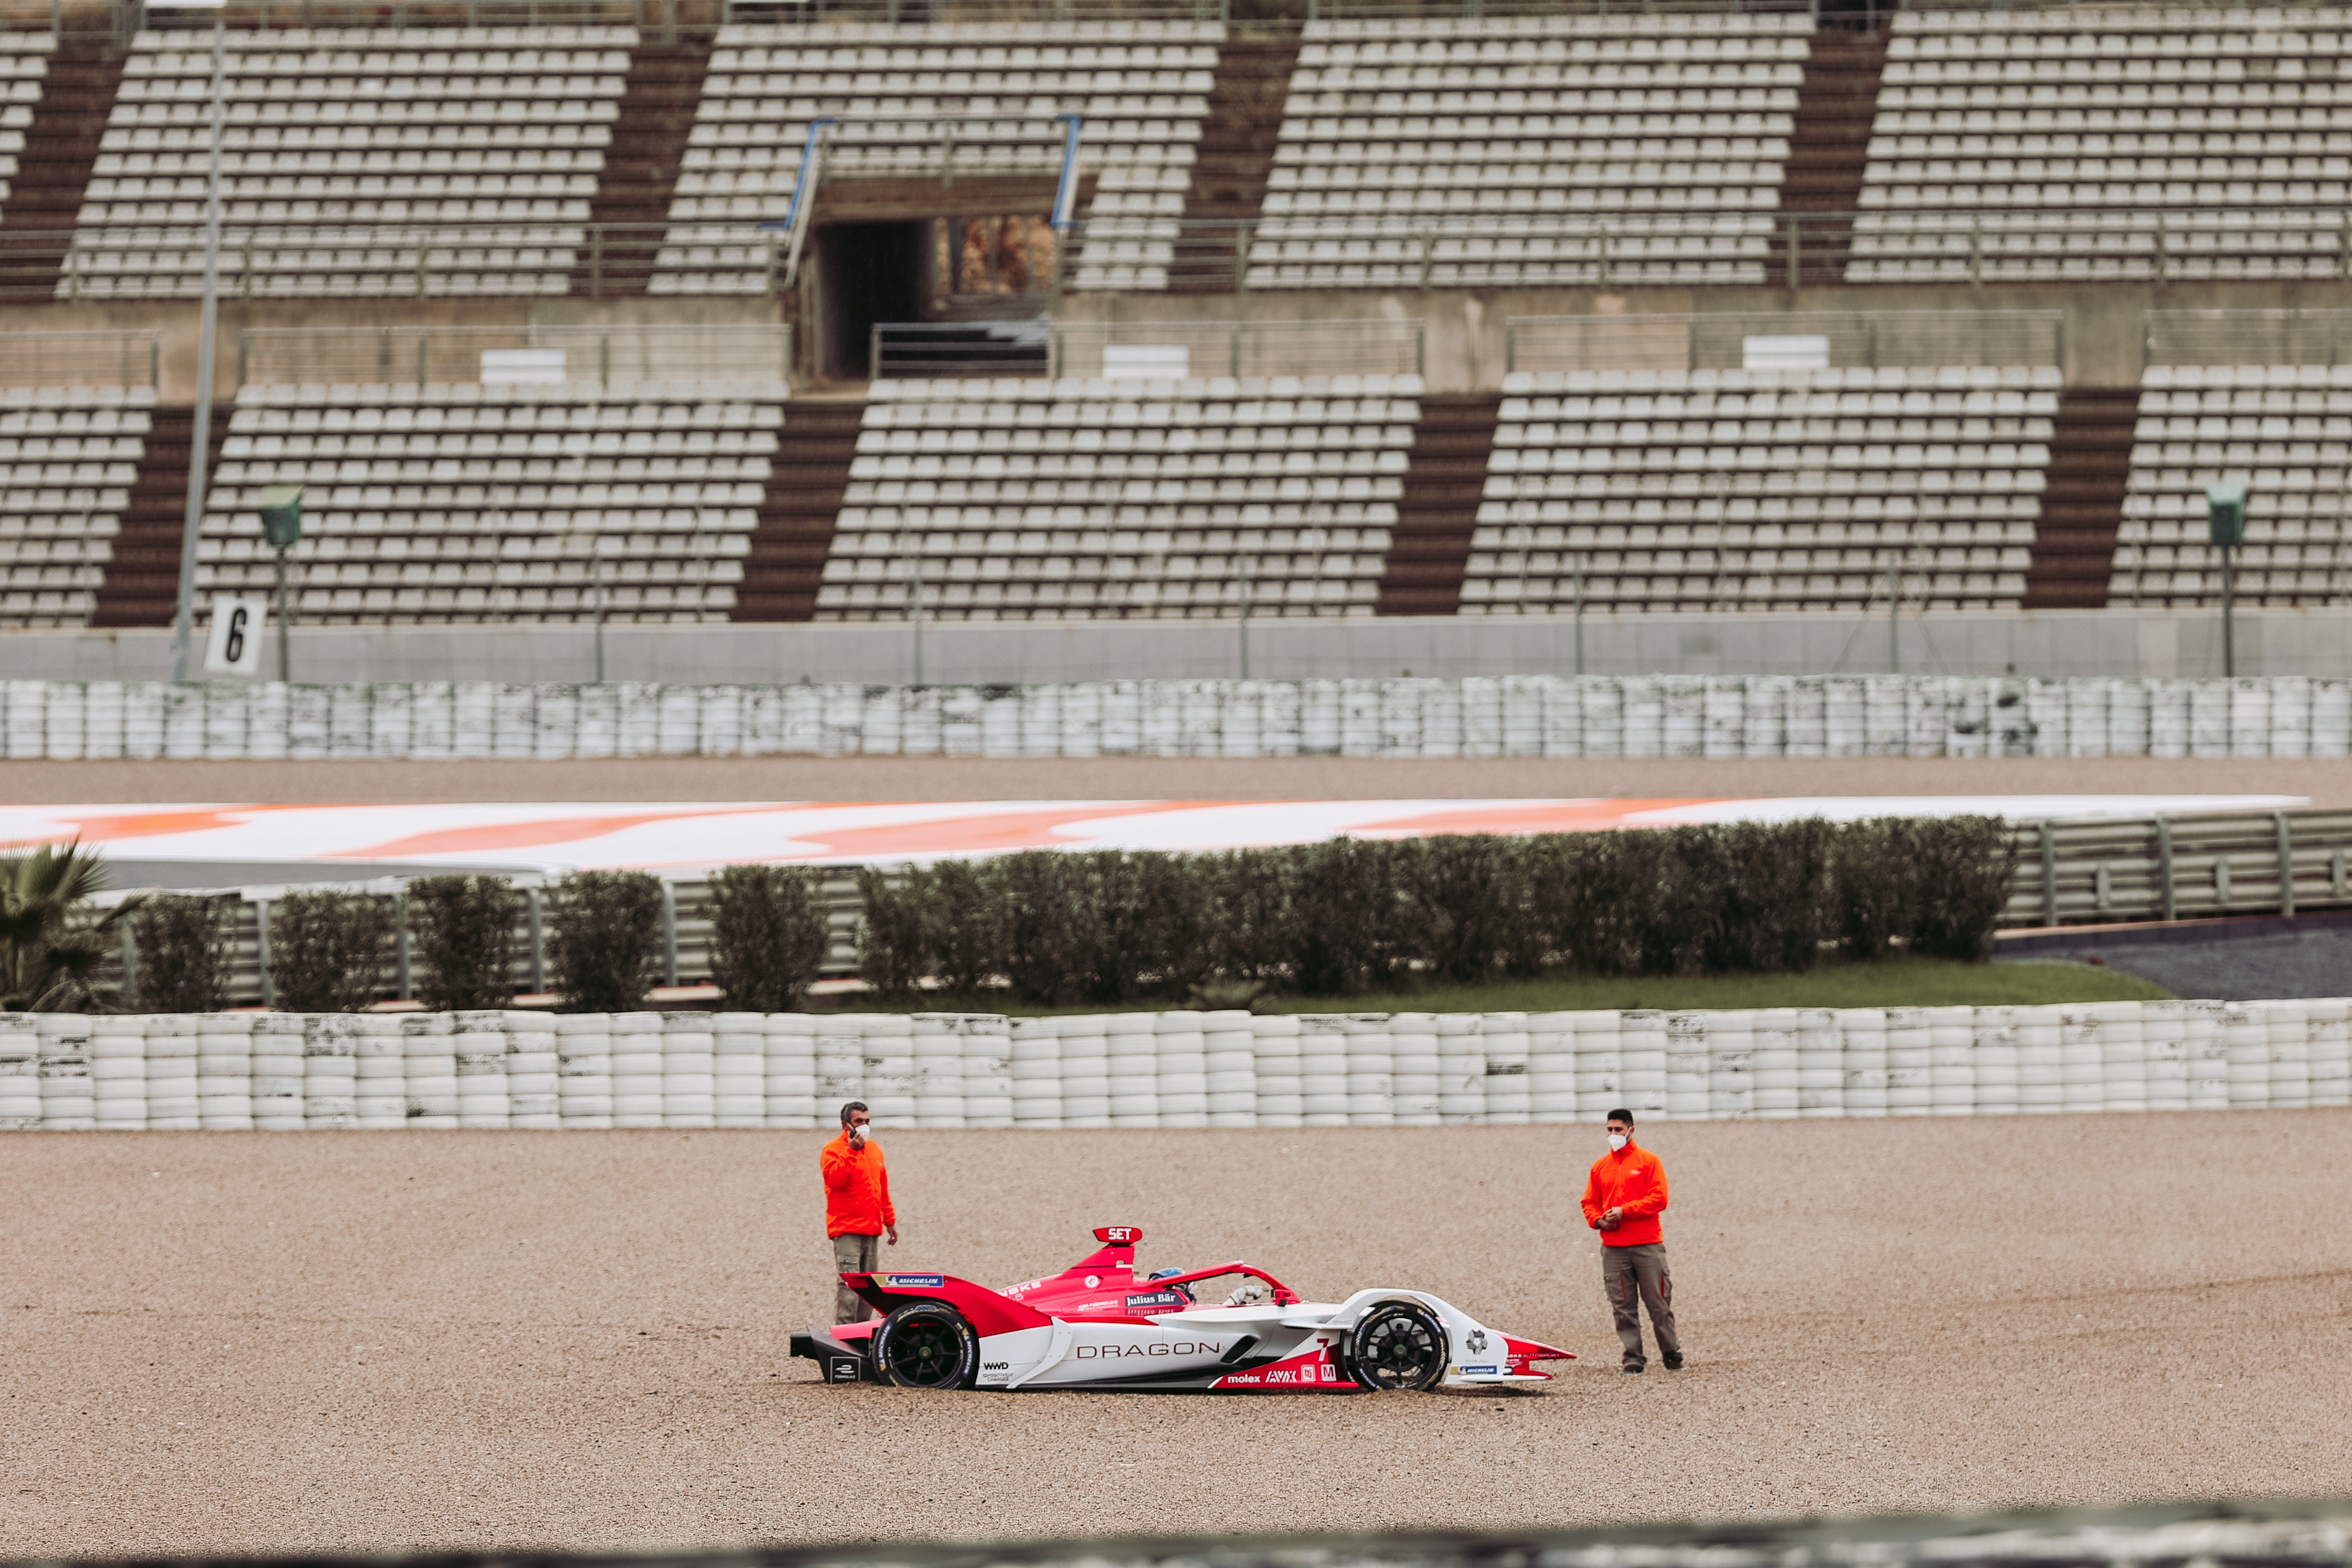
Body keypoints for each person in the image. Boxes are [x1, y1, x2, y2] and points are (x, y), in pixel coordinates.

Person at [1580, 1107, 1683, 1374]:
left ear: (1631, 1130)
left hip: (1647, 1245)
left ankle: (1671, 1353)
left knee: (1659, 1304)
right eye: (1610, 1130)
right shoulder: (1600, 1166)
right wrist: (1598, 1220)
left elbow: (1659, 1199)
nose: (1613, 1134)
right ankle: (1633, 1359)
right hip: (1614, 1249)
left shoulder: (1649, 1161)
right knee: (1622, 1307)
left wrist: (1626, 1211)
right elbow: (1589, 1202)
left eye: (1618, 1129)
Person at [821, 1100, 898, 1325]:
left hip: (871, 1228)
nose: (864, 1126)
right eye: (859, 1122)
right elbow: (834, 1181)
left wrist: (890, 1220)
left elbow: (882, 1187)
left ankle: (863, 1332)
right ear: (847, 1125)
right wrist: (851, 1151)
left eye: (867, 1121)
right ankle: (844, 1336)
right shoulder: (833, 1150)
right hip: (846, 1229)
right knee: (848, 1285)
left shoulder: (874, 1149)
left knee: (870, 1287)